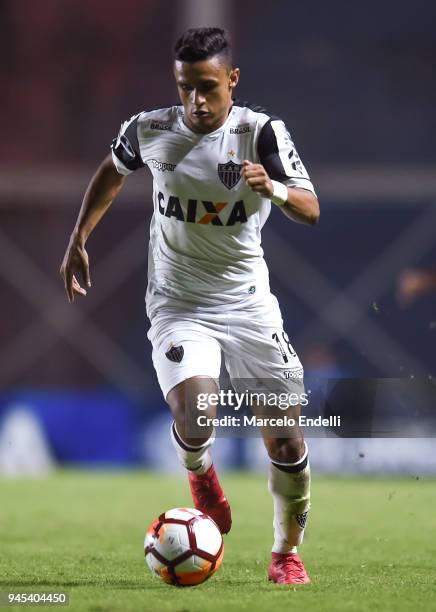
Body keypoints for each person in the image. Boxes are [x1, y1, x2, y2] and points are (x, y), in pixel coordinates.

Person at [60, 27, 320, 585]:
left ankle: (284, 553)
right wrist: (79, 238)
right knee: (195, 415)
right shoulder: (151, 128)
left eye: (207, 87)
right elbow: (112, 169)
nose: (196, 102)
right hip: (179, 303)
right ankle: (200, 471)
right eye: (185, 88)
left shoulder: (261, 134)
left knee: (288, 440)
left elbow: (311, 207)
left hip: (249, 306)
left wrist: (271, 187)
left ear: (232, 80)